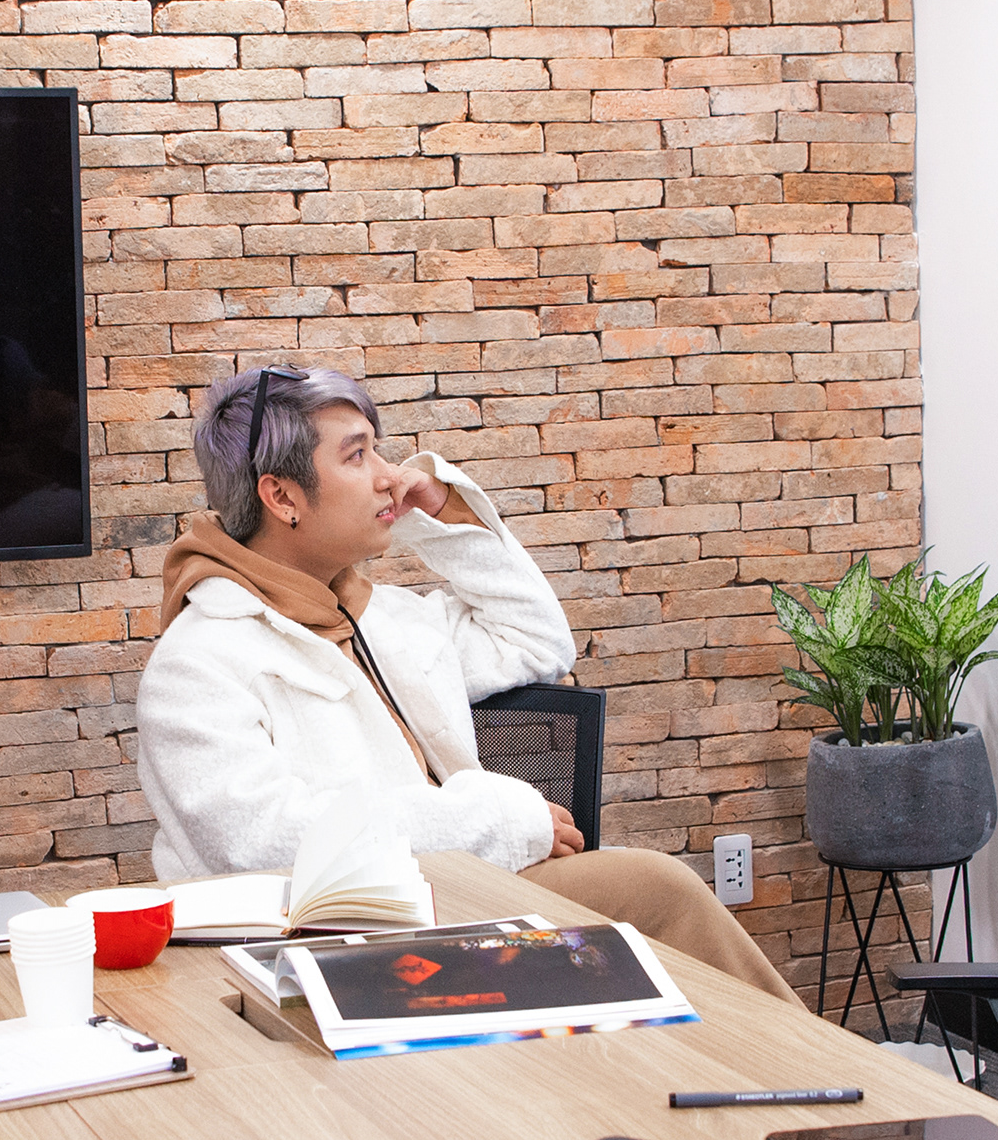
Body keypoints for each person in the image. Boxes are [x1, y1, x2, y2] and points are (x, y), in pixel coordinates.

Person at [137, 364, 803, 1005]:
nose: (388, 475)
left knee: (658, 902)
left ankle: (808, 1070)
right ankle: (824, 1075)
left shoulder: (380, 617)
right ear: (282, 497)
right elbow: (264, 845)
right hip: (327, 950)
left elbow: (537, 639)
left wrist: (438, 509)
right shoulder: (197, 664)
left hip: (453, 903)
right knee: (657, 889)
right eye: (358, 455)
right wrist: (495, 821)